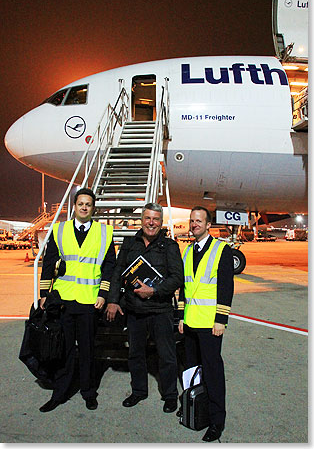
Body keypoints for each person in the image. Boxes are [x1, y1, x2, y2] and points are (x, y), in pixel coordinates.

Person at [39, 187, 116, 412]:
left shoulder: (104, 233)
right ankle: (59, 393)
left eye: (88, 204)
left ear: (93, 208)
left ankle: (88, 392)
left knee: (87, 349)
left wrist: (103, 294)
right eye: (81, 203)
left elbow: (109, 266)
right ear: (74, 206)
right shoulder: (59, 230)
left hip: (90, 300)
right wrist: (45, 294)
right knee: (64, 349)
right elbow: (48, 263)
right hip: (63, 299)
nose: (84, 207)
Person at [106, 203, 184, 413]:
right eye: (148, 218)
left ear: (161, 222)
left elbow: (177, 277)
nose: (151, 223)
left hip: (160, 310)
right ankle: (138, 391)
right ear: (142, 220)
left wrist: (154, 291)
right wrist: (113, 300)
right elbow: (117, 273)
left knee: (167, 355)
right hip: (135, 310)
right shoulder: (130, 244)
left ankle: (169, 395)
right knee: (136, 354)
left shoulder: (170, 246)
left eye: (156, 219)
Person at [178, 206, 234, 442]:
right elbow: (185, 288)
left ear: (208, 225)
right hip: (190, 322)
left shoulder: (222, 249)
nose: (194, 224)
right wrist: (181, 316)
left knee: (212, 372)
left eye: (199, 221)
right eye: (192, 221)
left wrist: (221, 320)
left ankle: (216, 420)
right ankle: (195, 408)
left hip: (211, 324)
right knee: (192, 371)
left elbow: (226, 287)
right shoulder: (188, 251)